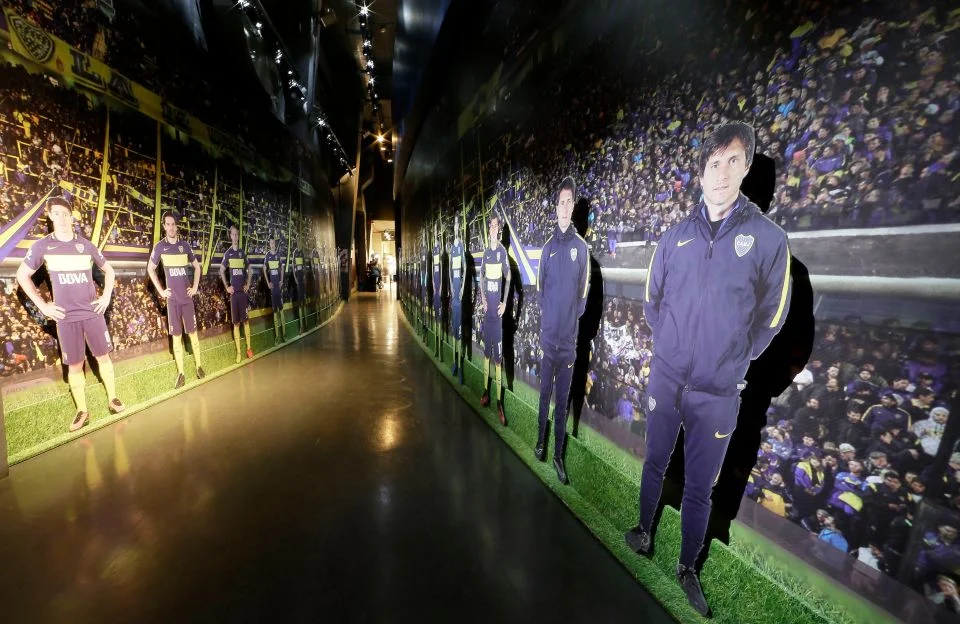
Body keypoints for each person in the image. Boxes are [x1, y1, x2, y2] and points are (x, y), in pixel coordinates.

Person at [624, 122, 792, 617]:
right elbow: (652, 302)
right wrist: (672, 350)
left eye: (732, 161)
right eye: (713, 163)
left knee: (700, 487)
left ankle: (686, 568)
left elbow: (773, 317)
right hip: (666, 377)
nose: (721, 173)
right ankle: (643, 532)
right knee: (654, 462)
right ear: (701, 174)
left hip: (718, 392)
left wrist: (733, 360)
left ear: (746, 168)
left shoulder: (769, 239)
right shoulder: (673, 237)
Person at [16, 197, 126, 432]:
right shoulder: (42, 246)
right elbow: (21, 276)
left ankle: (113, 398)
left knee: (104, 358)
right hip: (66, 318)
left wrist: (106, 296)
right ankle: (82, 411)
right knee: (75, 365)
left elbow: (109, 271)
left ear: (71, 217)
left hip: (92, 313)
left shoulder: (86, 245)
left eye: (66, 213)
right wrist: (43, 306)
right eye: (57, 213)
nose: (62, 217)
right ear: (50, 216)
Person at [535, 176, 590, 485]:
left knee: (561, 403)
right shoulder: (547, 248)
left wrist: (567, 324)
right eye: (561, 202)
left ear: (573, 206)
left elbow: (582, 299)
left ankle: (557, 455)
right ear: (556, 207)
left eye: (570, 202)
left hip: (568, 345)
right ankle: (540, 443)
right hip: (548, 341)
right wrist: (551, 323)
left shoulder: (581, 249)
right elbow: (540, 292)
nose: (565, 207)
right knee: (544, 396)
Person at [147, 211, 206, 388]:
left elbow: (197, 267)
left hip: (187, 299)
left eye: (173, 224)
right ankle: (181, 373)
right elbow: (150, 269)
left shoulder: (185, 246)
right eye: (168, 224)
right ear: (164, 226)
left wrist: (194, 288)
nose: (171, 227)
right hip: (172, 301)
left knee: (193, 334)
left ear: (176, 226)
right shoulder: (159, 247)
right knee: (176, 337)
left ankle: (199, 367)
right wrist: (161, 291)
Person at [479, 212, 511, 426]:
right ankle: (485, 392)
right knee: (486, 356)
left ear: (499, 230)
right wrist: (482, 297)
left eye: (495, 226)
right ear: (488, 229)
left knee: (498, 361)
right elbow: (481, 276)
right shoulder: (485, 254)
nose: (493, 228)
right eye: (490, 225)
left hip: (497, 318)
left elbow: (509, 277)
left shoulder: (501, 253)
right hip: (487, 316)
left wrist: (505, 302)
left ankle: (499, 403)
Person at [219, 224, 254, 363]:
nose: (234, 236)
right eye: (232, 234)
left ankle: (249, 349)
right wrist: (227, 287)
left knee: (246, 322)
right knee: (236, 324)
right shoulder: (228, 254)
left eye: (236, 234)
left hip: (243, 294)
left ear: (238, 236)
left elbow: (250, 269)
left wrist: (248, 284)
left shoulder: (242, 253)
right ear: (230, 236)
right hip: (234, 295)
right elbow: (221, 270)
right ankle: (239, 353)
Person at [449, 214, 467, 384]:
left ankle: (460, 368)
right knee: (454, 330)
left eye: (457, 225)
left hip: (459, 294)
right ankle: (454, 363)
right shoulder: (451, 248)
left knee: (460, 332)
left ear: (459, 227)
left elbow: (465, 268)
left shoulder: (461, 246)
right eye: (454, 225)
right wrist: (450, 286)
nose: (456, 227)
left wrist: (461, 288)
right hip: (453, 294)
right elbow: (449, 270)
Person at [262, 235, 286, 345]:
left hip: (278, 288)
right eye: (271, 243)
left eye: (273, 243)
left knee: (281, 311)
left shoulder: (278, 255)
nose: (272, 245)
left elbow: (282, 267)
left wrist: (281, 280)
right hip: (273, 289)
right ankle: (277, 337)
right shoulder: (267, 256)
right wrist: (268, 283)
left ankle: (284, 334)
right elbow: (264, 269)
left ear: (275, 244)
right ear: (269, 244)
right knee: (275, 313)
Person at [431, 226, 444, 359]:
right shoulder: (433, 251)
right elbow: (432, 269)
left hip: (439, 290)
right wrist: (433, 284)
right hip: (435, 289)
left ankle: (439, 351)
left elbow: (440, 270)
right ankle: (436, 347)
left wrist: (439, 287)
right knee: (436, 318)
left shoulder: (439, 251)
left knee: (439, 319)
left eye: (436, 232)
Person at [292, 239, 307, 333]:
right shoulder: (295, 253)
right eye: (297, 242)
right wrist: (295, 278)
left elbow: (304, 265)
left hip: (302, 281)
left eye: (299, 242)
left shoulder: (302, 253)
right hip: (298, 281)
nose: (299, 243)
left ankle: (306, 324)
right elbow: (293, 267)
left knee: (304, 302)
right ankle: (301, 326)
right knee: (300, 303)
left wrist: (304, 275)